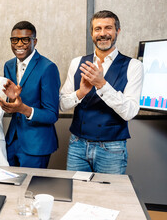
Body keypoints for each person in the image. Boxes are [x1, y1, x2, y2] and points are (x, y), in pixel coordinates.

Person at [59, 10, 143, 174]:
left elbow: (130, 112)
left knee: (108, 197)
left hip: (112, 148)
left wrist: (102, 85)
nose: (103, 34)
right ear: (92, 33)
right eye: (98, 29)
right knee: (76, 193)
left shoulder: (134, 66)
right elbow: (62, 104)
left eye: (108, 28)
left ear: (117, 31)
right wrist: (81, 93)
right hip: (77, 145)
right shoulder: (77, 63)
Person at [0, 21, 60, 168]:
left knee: (31, 190)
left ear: (34, 41)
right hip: (12, 140)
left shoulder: (48, 68)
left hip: (37, 144)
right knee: (10, 188)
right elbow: (13, 101)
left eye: (25, 40)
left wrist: (22, 108)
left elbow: (52, 114)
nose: (19, 44)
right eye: (14, 40)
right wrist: (11, 100)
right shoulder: (9, 65)